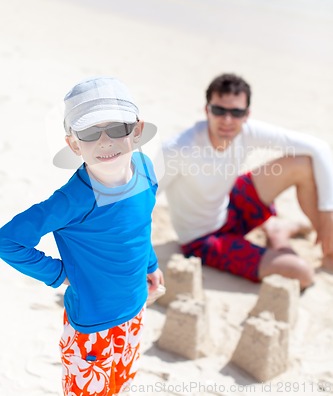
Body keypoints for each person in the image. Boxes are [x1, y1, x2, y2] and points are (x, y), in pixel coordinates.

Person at [0, 76, 164, 396]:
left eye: (117, 129)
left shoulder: (144, 168)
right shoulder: (72, 200)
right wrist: (60, 274)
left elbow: (140, 225)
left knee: (122, 385)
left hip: (135, 309)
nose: (105, 142)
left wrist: (151, 265)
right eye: (90, 133)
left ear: (137, 131)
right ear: (74, 144)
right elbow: (8, 240)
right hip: (92, 326)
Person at [159, 73, 333, 289]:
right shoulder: (178, 149)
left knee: (302, 164)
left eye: (236, 112)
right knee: (303, 274)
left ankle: (329, 249)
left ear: (246, 114)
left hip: (228, 203)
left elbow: (319, 149)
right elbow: (143, 198)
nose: (227, 120)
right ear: (207, 110)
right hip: (203, 239)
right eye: (219, 110)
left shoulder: (246, 131)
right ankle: (278, 234)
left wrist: (327, 214)